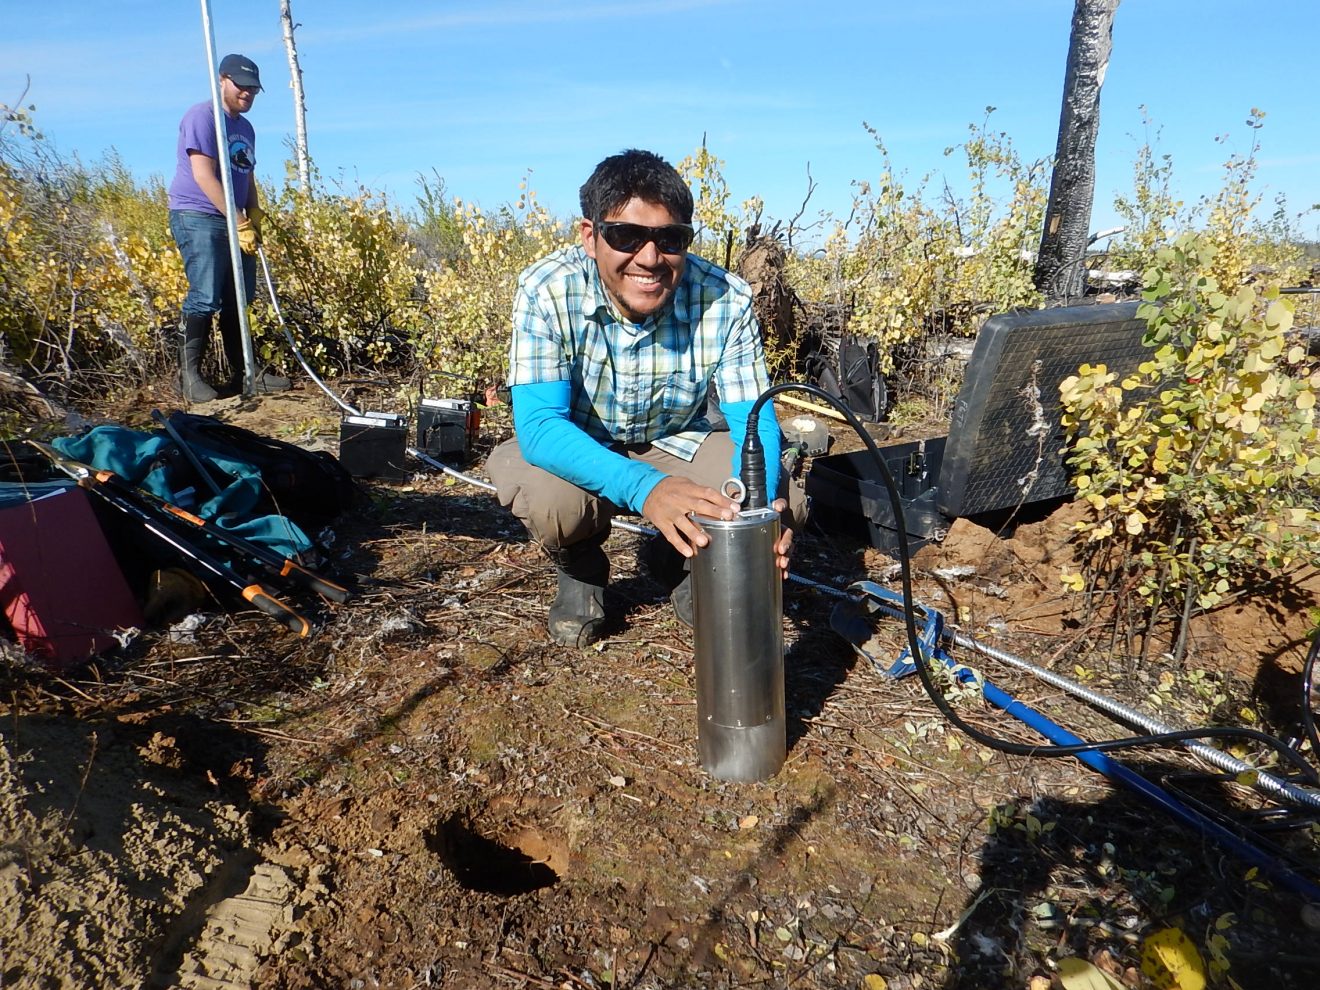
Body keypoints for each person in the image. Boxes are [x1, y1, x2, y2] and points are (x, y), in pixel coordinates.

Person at [487, 149, 804, 648]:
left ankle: (683, 555)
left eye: (670, 239)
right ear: (590, 237)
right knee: (552, 503)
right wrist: (647, 490)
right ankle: (582, 564)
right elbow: (541, 425)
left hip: (675, 439)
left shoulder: (727, 298)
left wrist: (760, 518)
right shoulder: (548, 290)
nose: (650, 258)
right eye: (626, 236)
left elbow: (753, 423)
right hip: (578, 439)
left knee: (787, 500)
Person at [167, 52, 289, 402]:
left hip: (236, 218)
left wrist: (254, 214)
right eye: (241, 86)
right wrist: (238, 221)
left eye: (253, 89)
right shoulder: (202, 117)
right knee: (205, 295)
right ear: (222, 79)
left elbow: (246, 175)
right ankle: (189, 378)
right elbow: (204, 175)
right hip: (199, 215)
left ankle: (246, 372)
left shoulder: (245, 129)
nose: (247, 94)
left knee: (240, 297)